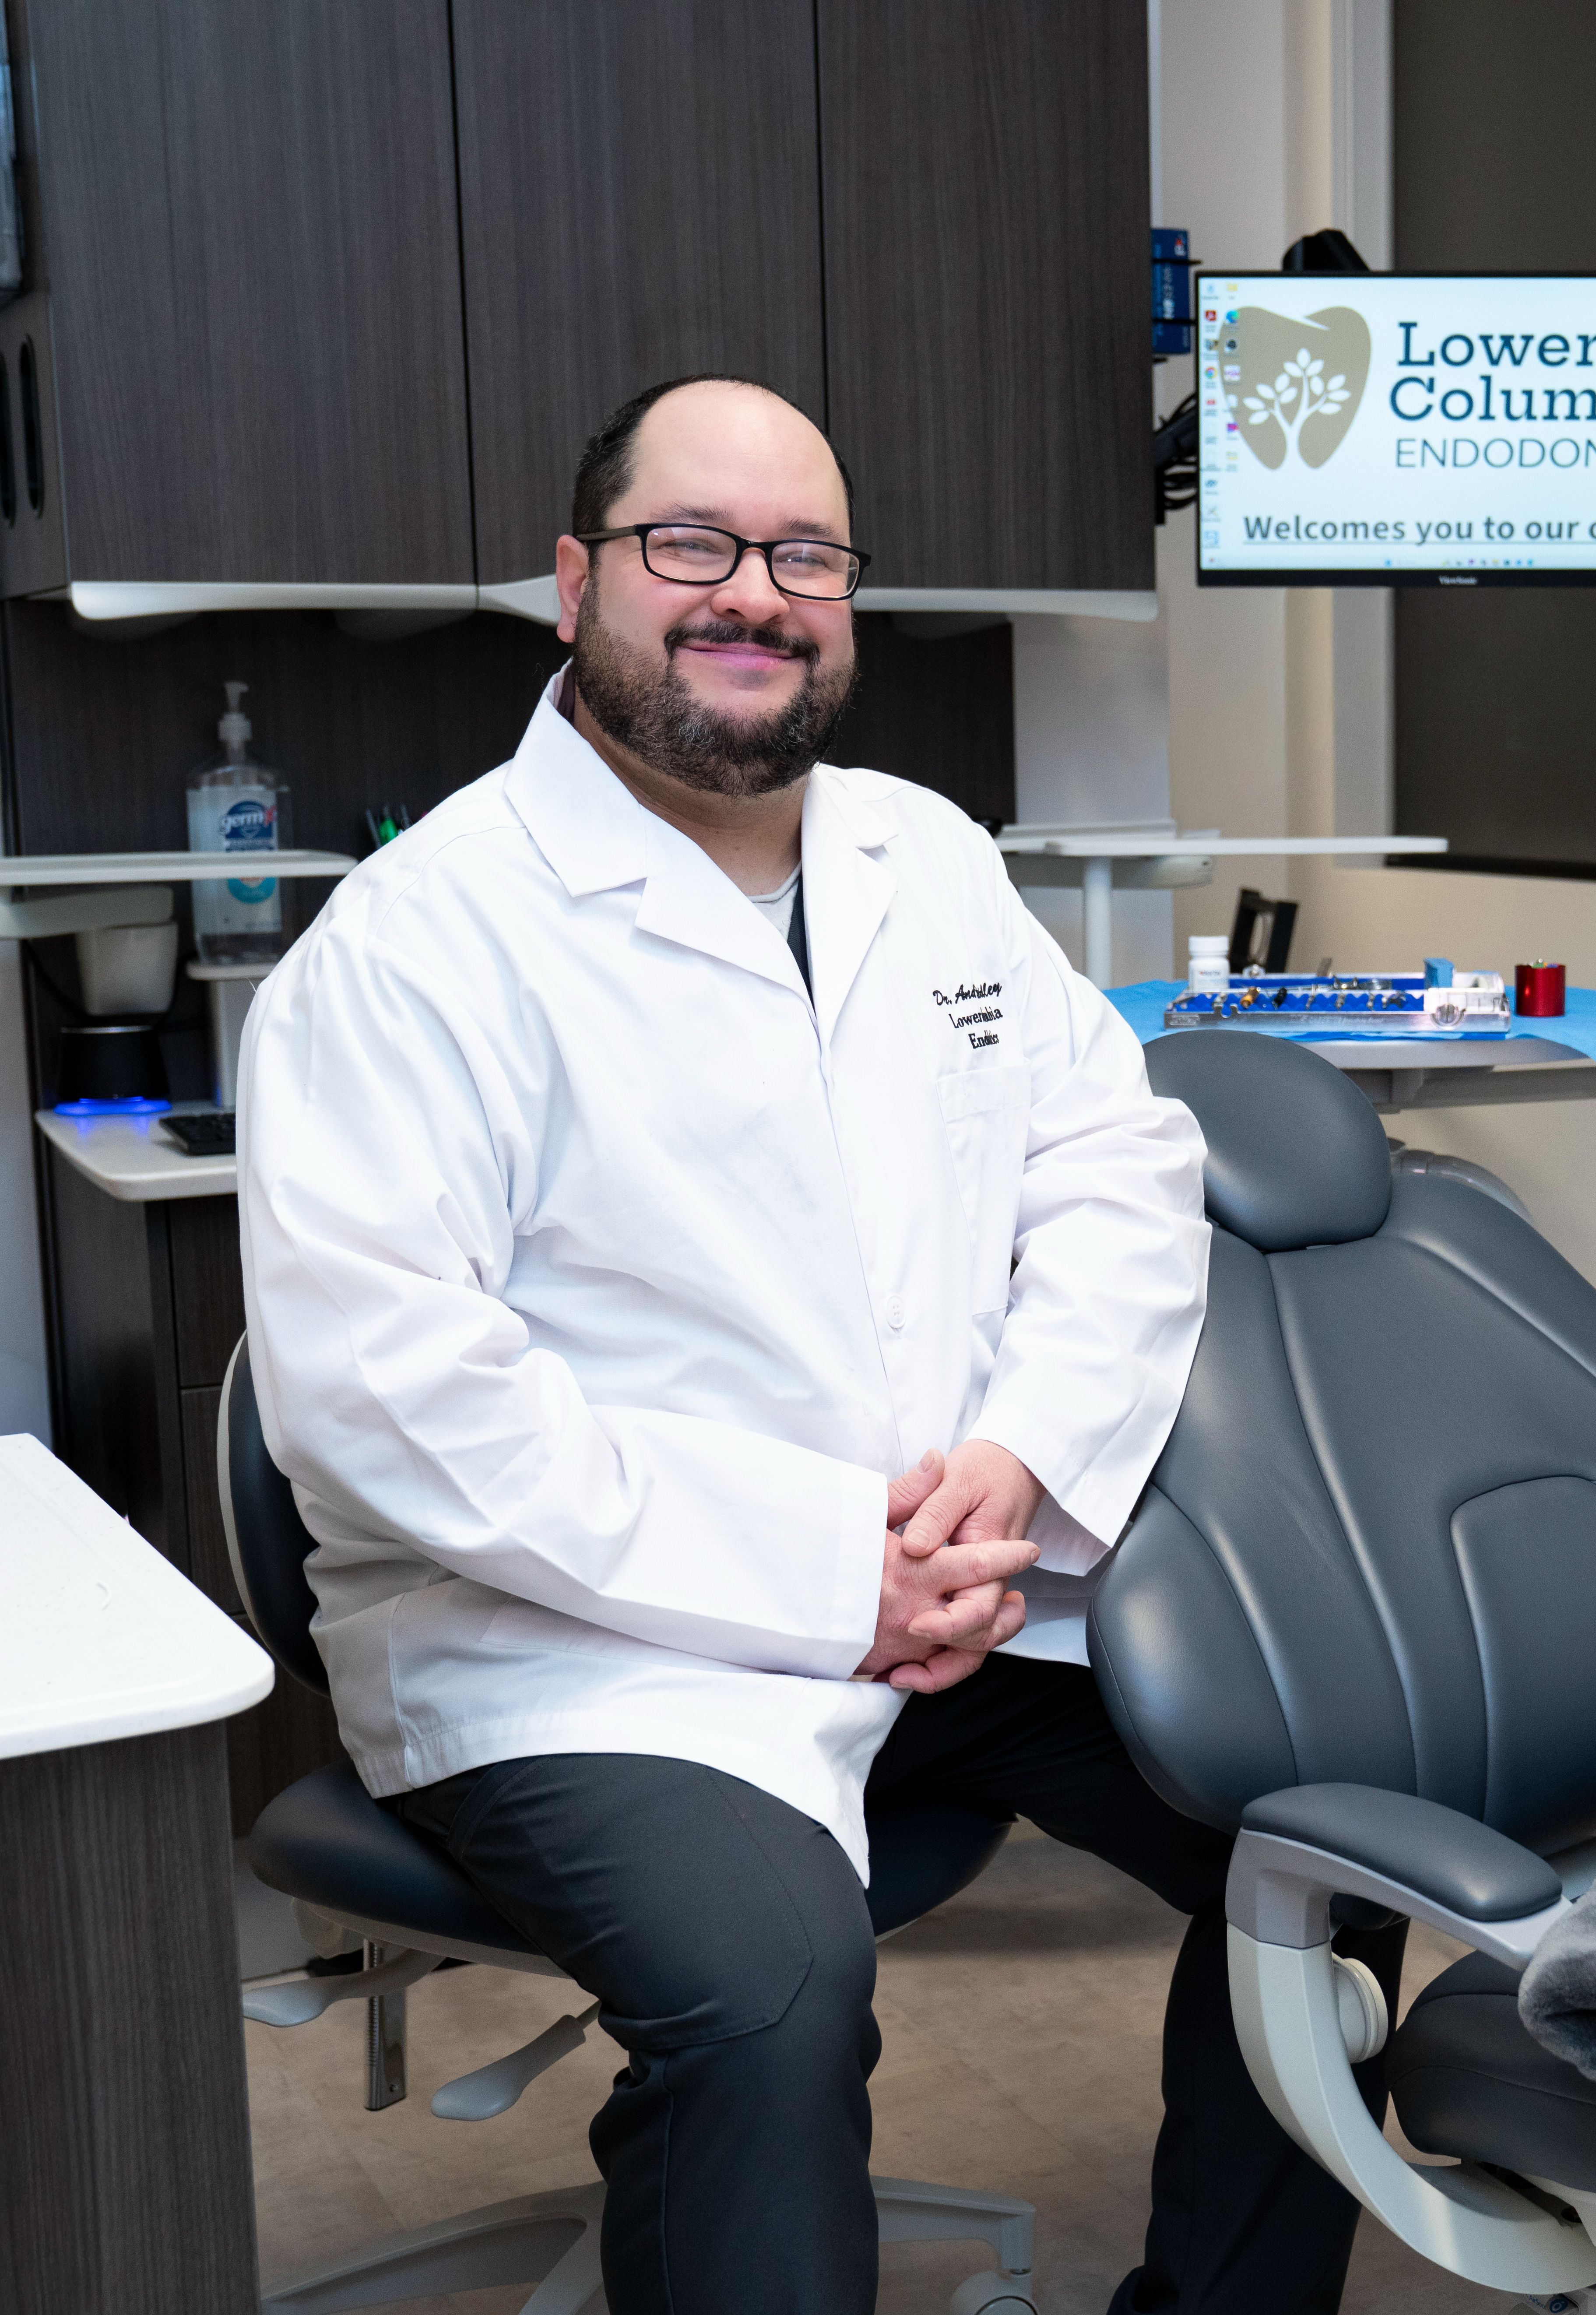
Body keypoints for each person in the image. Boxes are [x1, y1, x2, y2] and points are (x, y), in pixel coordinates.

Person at [238, 373, 1403, 2315]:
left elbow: (1115, 1161)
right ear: (572, 582)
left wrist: (1022, 1454)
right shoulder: (417, 943)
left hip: (966, 1573)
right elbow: (387, 1402)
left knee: (1328, 1819)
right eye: (687, 544)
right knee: (772, 1996)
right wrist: (820, 1569)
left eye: (804, 555)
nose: (750, 595)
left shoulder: (918, 856)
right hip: (588, 1634)